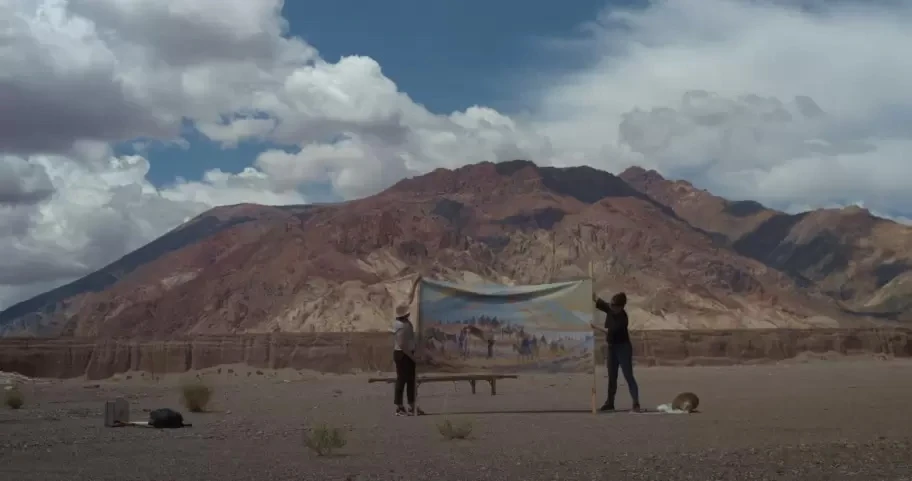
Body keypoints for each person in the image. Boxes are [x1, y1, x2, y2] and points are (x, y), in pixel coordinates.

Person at [590, 291, 641, 412]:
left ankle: (636, 402)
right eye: (611, 305)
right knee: (612, 376)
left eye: (615, 306)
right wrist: (588, 288)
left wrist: (594, 327)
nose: (612, 307)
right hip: (612, 347)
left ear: (621, 307)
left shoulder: (623, 318)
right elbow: (597, 300)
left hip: (623, 348)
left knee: (628, 375)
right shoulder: (610, 308)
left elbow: (609, 331)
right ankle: (610, 402)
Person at [393, 275, 424, 416]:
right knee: (402, 380)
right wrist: (412, 356)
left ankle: (412, 404)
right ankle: (399, 406)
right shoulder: (401, 326)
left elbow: (409, 298)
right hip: (403, 355)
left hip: (408, 354)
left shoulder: (404, 323)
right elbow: (401, 344)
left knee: (411, 380)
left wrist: (416, 282)